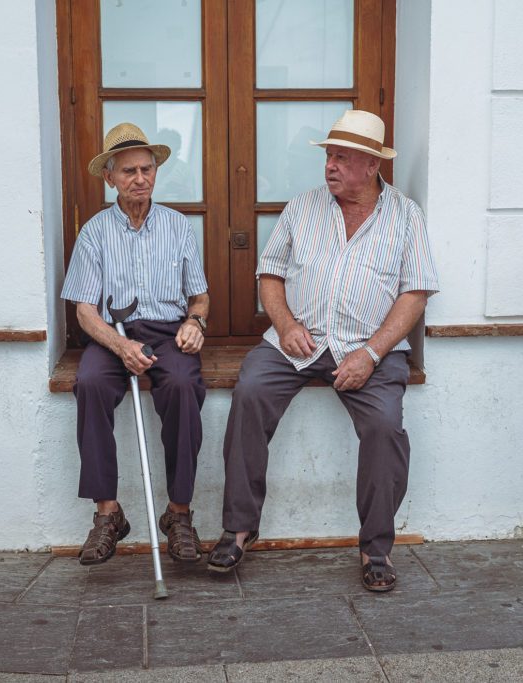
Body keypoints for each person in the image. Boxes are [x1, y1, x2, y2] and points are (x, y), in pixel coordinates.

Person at [207, 110, 439, 592]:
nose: (329, 166)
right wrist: (285, 324)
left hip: (367, 347)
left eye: (341, 158)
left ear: (372, 165)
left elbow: (414, 293)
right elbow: (269, 274)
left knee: (383, 427)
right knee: (249, 392)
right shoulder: (302, 208)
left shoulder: (406, 215)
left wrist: (372, 354)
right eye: (328, 156)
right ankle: (240, 527)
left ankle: (376, 547)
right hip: (297, 341)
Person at [62, 122, 209, 566]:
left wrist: (195, 321)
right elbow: (85, 310)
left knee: (183, 389)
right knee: (88, 383)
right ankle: (107, 514)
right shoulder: (94, 233)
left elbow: (199, 295)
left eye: (146, 169)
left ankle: (179, 513)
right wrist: (120, 347)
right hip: (113, 336)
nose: (140, 178)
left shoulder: (179, 227)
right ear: (109, 178)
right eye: (128, 171)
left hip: (167, 332)